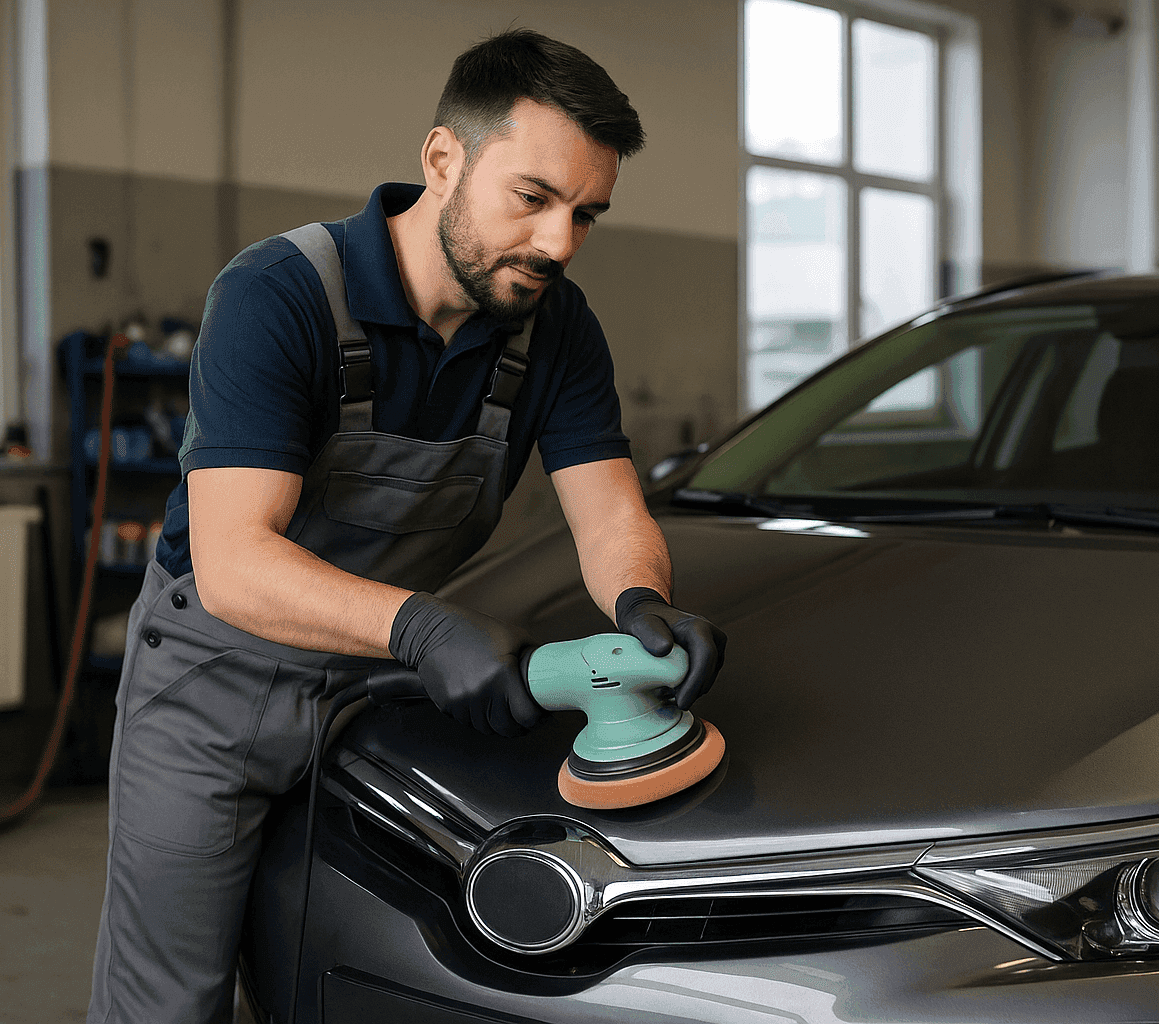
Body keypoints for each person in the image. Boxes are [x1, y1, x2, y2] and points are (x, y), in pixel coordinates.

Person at [86, 28, 725, 1024]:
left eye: (587, 215)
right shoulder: (280, 295)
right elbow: (235, 562)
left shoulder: (555, 328)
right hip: (214, 693)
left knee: (350, 982)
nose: (559, 243)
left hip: (379, 702)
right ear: (442, 160)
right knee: (171, 1004)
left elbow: (609, 515)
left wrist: (643, 598)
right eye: (533, 198)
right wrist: (424, 626)